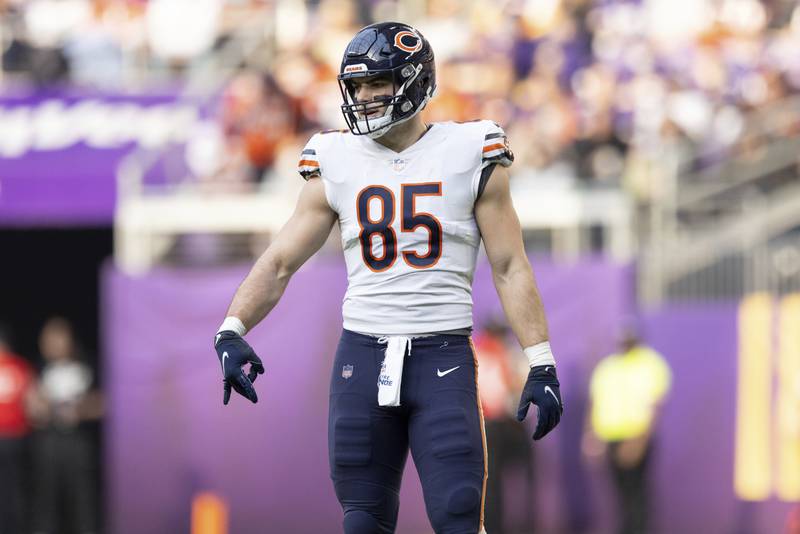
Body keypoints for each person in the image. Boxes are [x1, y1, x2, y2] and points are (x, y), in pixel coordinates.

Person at [213, 22, 563, 534]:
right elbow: (280, 260)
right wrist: (232, 327)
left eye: (377, 83)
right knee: (363, 521)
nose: (364, 97)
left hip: (441, 355)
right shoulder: (335, 158)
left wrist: (541, 359)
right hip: (362, 355)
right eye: (356, 86)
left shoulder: (470, 149)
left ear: (415, 82)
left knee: (460, 515)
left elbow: (509, 266)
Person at [583, 325, 671, 534]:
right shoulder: (608, 367)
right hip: (611, 437)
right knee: (620, 494)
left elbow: (655, 406)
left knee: (637, 494)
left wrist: (639, 442)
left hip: (637, 437)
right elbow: (595, 403)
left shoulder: (650, 363)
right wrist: (591, 437)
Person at [27, 317, 103, 534]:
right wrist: (41, 406)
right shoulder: (38, 368)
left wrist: (80, 410)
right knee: (46, 501)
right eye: (48, 339)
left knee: (83, 501)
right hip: (48, 443)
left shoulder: (88, 365)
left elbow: (104, 402)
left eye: (58, 337)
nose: (53, 344)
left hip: (78, 443)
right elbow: (32, 405)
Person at [473, 319, 535, 533]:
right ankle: (494, 526)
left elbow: (522, 392)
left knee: (524, 481)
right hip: (489, 426)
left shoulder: (509, 355)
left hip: (511, 425)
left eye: (500, 333)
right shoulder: (480, 355)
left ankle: (525, 526)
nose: (497, 338)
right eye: (494, 333)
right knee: (491, 485)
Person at [0, 324, 34, 534]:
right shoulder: (21, 366)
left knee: (14, 489)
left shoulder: (20, 366)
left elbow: (31, 402)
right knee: (12, 490)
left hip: (14, 438)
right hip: (12, 437)